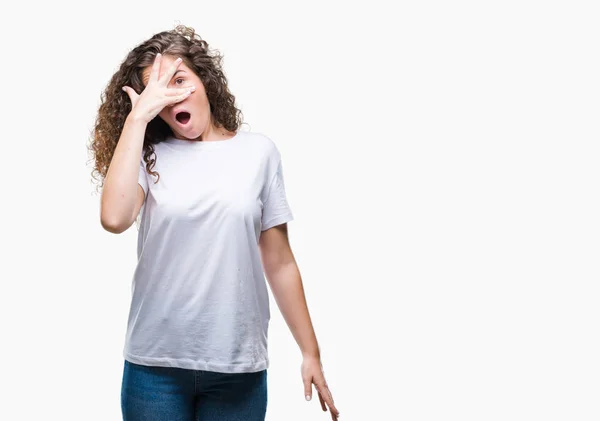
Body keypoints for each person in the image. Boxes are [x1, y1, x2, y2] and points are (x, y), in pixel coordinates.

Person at [89, 24, 340, 421]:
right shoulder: (146, 153)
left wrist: (311, 353)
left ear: (204, 79)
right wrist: (136, 120)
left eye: (179, 80)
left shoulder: (258, 153)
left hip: (236, 369)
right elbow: (115, 218)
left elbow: (279, 261)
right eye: (158, 92)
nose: (172, 96)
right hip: (154, 368)